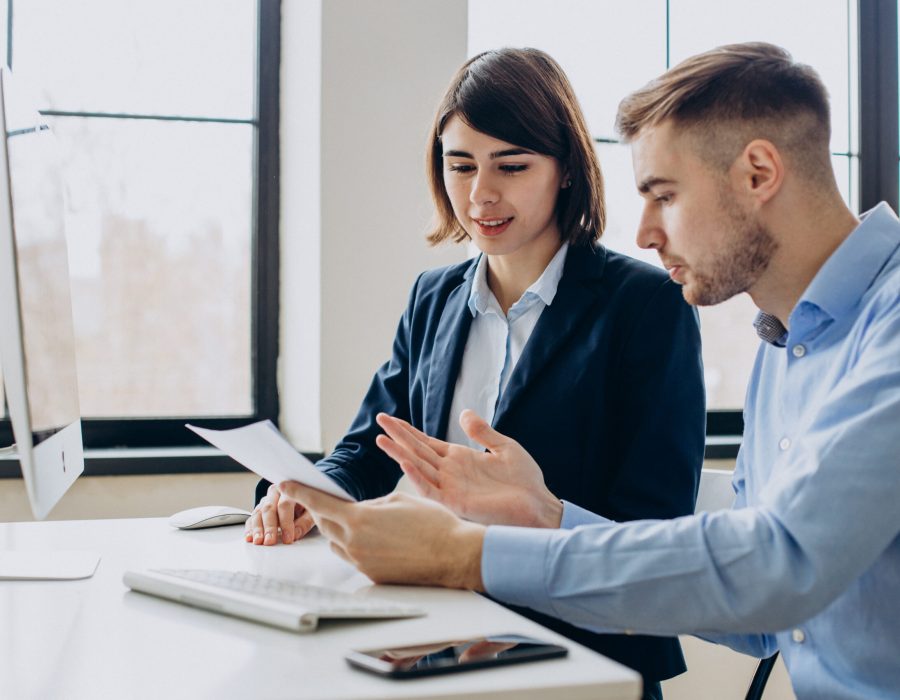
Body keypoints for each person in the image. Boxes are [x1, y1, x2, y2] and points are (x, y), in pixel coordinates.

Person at [279, 42, 900, 700]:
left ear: (757, 173)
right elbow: (756, 619)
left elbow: (775, 568)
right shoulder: (786, 346)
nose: (644, 233)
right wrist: (545, 515)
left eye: (664, 195)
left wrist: (463, 554)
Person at [248, 48, 705, 696]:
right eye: (459, 165)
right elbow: (372, 445)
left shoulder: (646, 307)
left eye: (511, 167)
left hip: (579, 652)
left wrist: (523, 517)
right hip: (444, 633)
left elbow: (653, 530)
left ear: (567, 169)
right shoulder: (433, 298)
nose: (480, 194)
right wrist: (311, 493)